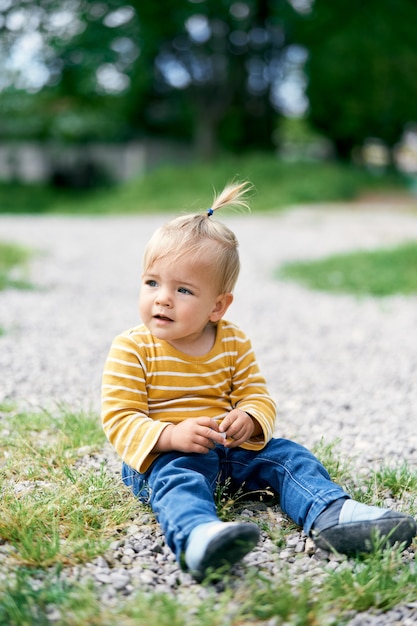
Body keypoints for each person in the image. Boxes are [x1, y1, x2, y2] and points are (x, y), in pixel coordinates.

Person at [101, 181, 416, 581]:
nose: (162, 298)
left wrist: (249, 418)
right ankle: (199, 536)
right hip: (162, 456)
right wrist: (170, 436)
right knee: (179, 481)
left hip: (230, 448)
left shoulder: (232, 341)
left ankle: (331, 513)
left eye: (182, 289)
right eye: (152, 283)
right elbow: (120, 417)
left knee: (288, 456)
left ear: (218, 306)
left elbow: (256, 394)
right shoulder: (133, 348)